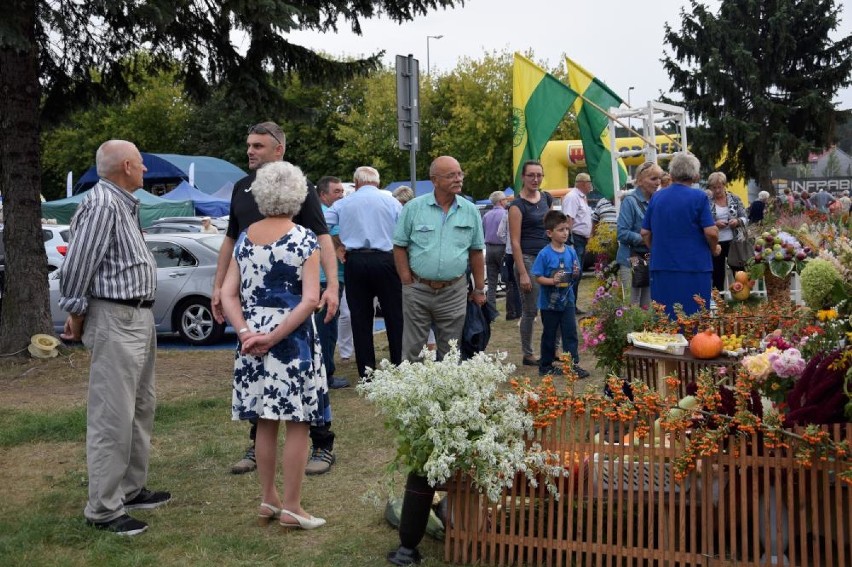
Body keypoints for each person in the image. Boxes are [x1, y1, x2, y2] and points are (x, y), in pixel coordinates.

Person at [212, 122, 339, 476]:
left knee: (305, 376)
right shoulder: (241, 188)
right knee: (260, 375)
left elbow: (322, 235)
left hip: (295, 306)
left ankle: (322, 443)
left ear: (278, 149)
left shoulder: (298, 186)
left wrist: (332, 286)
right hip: (253, 310)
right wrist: (218, 285)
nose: (250, 151)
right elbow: (231, 240)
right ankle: (258, 447)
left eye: (258, 146)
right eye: (249, 145)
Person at [59, 140, 170, 536]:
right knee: (113, 413)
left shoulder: (121, 203)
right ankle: (103, 509)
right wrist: (76, 314)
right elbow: (78, 264)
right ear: (126, 165)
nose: (145, 170)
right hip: (116, 316)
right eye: (141, 164)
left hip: (137, 316)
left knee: (141, 406)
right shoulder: (103, 204)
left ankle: (130, 488)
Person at [219, 161, 327, 531]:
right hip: (291, 338)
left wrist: (246, 332)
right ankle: (293, 506)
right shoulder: (304, 239)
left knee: (264, 420)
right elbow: (311, 299)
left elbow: (227, 294)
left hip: (253, 339)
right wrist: (274, 337)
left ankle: (269, 498)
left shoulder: (246, 236)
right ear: (298, 195)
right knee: (298, 421)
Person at [393, 156, 486, 362]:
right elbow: (399, 246)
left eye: (460, 173)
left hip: (453, 291)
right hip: (418, 289)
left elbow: (476, 251)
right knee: (413, 349)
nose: (458, 179)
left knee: (451, 351)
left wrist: (479, 288)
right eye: (451, 175)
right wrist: (406, 280)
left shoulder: (470, 211)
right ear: (434, 180)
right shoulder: (413, 208)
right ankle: (413, 392)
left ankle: (448, 393)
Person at [325, 166, 404, 379]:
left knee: (360, 318)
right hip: (387, 259)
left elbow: (323, 225)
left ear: (356, 182)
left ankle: (367, 373)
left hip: (356, 260)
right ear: (377, 182)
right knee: (395, 315)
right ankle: (399, 366)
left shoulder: (343, 203)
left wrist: (337, 244)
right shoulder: (392, 202)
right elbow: (403, 231)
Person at [641, 152, 720, 319]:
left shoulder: (656, 197)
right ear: (694, 174)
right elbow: (711, 231)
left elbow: (645, 232)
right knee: (693, 317)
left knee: (665, 317)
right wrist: (714, 248)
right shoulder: (699, 196)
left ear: (672, 173)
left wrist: (656, 249)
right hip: (694, 266)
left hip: (662, 265)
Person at [531, 210, 588, 378]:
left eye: (566, 229)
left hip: (568, 300)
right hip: (549, 302)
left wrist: (577, 272)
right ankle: (546, 365)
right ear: (549, 233)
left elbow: (575, 270)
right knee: (549, 333)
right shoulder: (544, 254)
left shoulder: (570, 251)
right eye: (561, 230)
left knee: (570, 332)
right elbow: (538, 276)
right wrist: (552, 281)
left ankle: (572, 364)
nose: (565, 233)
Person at [508, 160, 553, 367]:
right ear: (523, 178)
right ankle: (528, 353)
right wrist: (524, 273)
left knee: (552, 307)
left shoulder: (546, 198)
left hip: (548, 258)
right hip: (528, 259)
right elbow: (515, 242)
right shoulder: (517, 206)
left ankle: (552, 349)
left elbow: (553, 227)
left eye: (539, 175)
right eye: (531, 175)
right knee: (531, 310)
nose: (535, 179)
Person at [314, 176, 349, 390]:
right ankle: (326, 374)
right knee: (327, 328)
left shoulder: (318, 212)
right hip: (329, 279)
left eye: (342, 191)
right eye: (336, 191)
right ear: (323, 194)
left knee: (321, 327)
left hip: (320, 277)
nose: (341, 195)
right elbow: (342, 240)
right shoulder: (328, 215)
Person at [616, 161, 663, 307]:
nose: (658, 183)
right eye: (653, 179)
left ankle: (644, 331)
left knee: (647, 307)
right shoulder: (629, 201)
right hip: (630, 260)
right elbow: (622, 233)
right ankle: (630, 331)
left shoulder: (657, 201)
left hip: (649, 260)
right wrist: (646, 239)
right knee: (631, 306)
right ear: (641, 181)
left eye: (659, 178)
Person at [707, 171, 748, 290]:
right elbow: (701, 222)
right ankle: (719, 303)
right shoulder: (707, 201)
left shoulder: (735, 198)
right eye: (714, 188)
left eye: (719, 187)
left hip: (734, 242)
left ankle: (742, 301)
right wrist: (715, 224)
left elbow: (746, 218)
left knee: (739, 273)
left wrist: (737, 221)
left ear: (724, 185)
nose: (717, 190)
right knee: (717, 275)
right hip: (715, 243)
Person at [561, 172, 593, 314]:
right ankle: (568, 304)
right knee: (574, 272)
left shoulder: (580, 197)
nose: (590, 185)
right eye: (589, 182)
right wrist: (569, 240)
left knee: (577, 273)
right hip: (575, 239)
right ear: (582, 183)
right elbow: (569, 219)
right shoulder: (573, 197)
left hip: (581, 239)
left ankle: (571, 304)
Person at [481, 190, 508, 313]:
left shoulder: (486, 215)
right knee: (508, 279)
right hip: (502, 248)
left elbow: (484, 231)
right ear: (501, 201)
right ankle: (511, 309)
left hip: (489, 248)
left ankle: (491, 310)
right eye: (505, 199)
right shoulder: (505, 214)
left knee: (491, 282)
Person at [498, 211, 522, 321]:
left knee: (512, 284)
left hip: (510, 252)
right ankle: (522, 310)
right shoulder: (524, 214)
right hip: (522, 252)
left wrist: (508, 243)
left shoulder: (506, 216)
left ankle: (515, 311)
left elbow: (500, 233)